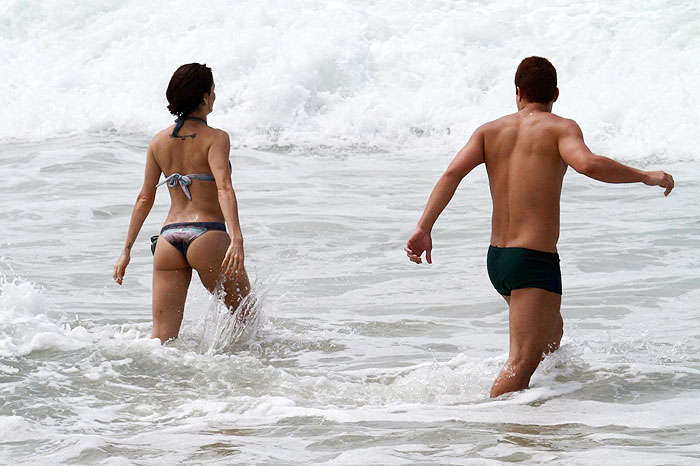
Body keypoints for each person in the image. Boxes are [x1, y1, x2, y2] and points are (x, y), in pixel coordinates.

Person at [404, 57, 674, 398]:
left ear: (517, 92)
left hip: (498, 260)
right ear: (555, 93)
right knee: (521, 363)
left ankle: (541, 408)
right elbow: (587, 163)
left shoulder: (489, 131)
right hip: (532, 260)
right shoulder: (560, 127)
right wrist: (644, 175)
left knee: (552, 334)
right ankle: (500, 434)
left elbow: (451, 174)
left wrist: (424, 227)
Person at [113, 63, 250, 343]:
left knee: (161, 340)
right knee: (246, 316)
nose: (214, 96)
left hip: (167, 241)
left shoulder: (159, 141)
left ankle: (158, 386)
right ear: (203, 96)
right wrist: (236, 238)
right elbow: (224, 187)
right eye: (212, 91)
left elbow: (144, 198)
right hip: (207, 235)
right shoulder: (216, 138)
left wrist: (125, 251)